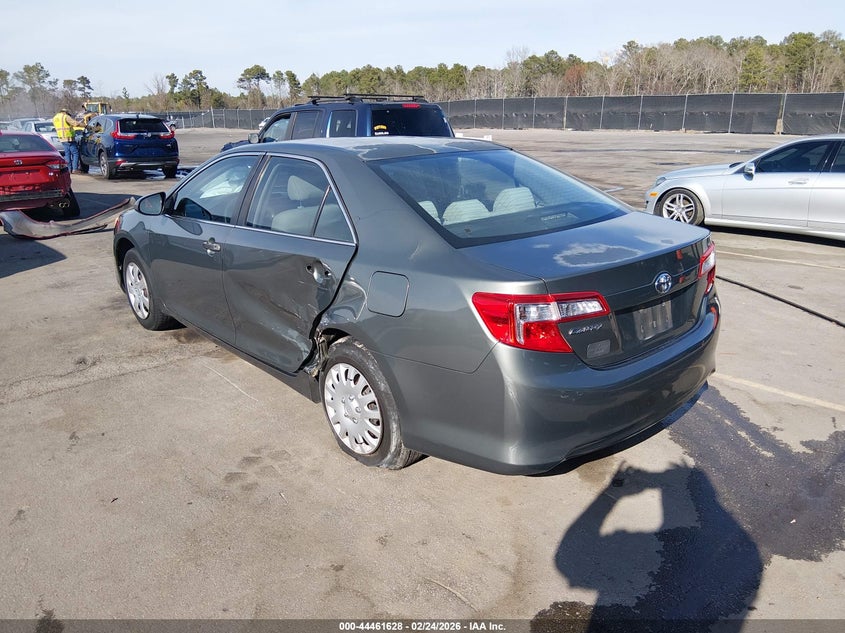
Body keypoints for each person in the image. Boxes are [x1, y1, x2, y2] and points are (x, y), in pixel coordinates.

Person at [52, 108, 83, 173]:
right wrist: (83, 124)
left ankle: (69, 169)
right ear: (65, 112)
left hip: (62, 138)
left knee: (67, 154)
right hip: (69, 138)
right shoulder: (65, 116)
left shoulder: (55, 118)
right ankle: (75, 169)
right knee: (75, 153)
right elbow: (75, 124)